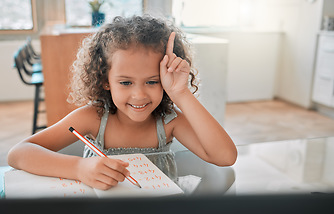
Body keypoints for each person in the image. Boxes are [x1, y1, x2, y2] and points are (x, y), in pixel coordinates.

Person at [8, 15, 237, 190]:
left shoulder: (169, 121)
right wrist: (79, 168)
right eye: (126, 83)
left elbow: (225, 157)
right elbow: (18, 154)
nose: (139, 95)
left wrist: (181, 93)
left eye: (152, 82)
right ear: (105, 80)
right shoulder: (93, 117)